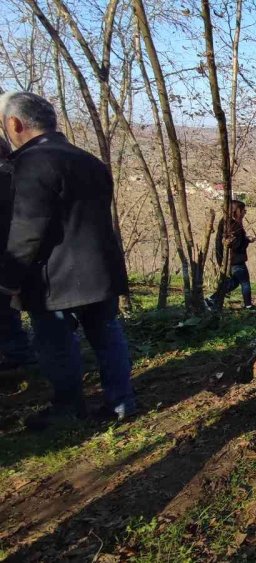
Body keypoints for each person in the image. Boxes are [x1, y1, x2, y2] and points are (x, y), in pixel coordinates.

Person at [0, 91, 135, 429]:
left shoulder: (30, 164)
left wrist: (8, 278)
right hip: (101, 270)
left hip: (54, 279)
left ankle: (68, 407)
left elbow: (27, 231)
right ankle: (121, 402)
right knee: (107, 336)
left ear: (14, 123)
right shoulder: (88, 159)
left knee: (55, 343)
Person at [0, 136, 34, 371]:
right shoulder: (19, 174)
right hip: (16, 249)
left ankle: (18, 353)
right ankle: (18, 352)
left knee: (5, 309)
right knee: (7, 309)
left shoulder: (8, 177)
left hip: (10, 250)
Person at [210, 200, 256, 310]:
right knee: (245, 282)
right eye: (243, 210)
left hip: (230, 259)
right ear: (237, 211)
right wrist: (247, 241)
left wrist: (245, 239)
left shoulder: (227, 222)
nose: (245, 213)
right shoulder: (233, 225)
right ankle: (248, 305)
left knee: (234, 282)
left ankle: (211, 299)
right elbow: (236, 245)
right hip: (235, 259)